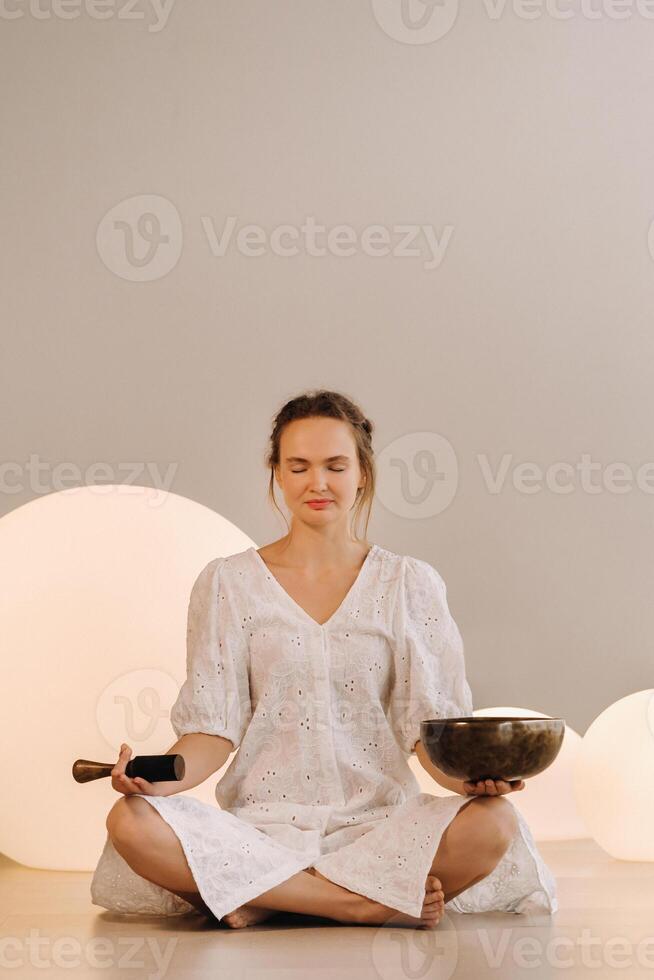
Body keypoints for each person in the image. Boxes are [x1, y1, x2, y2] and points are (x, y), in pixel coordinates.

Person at [90, 389, 558, 929]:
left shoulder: (408, 584)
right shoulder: (228, 583)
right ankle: (359, 905)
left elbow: (427, 737)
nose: (318, 483)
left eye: (336, 466)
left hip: (379, 829)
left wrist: (471, 784)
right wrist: (159, 782)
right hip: (257, 833)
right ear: (278, 474)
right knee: (131, 822)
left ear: (362, 473)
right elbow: (212, 730)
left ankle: (266, 899)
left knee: (493, 823)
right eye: (299, 467)